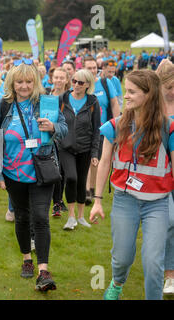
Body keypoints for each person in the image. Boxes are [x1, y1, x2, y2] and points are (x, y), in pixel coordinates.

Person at [0, 60, 68, 292]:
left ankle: (43, 270)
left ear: (36, 82)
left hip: (41, 170)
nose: (24, 86)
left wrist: (53, 127)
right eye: (19, 81)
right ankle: (26, 259)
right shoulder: (2, 107)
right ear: (12, 82)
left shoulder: (47, 103)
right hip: (13, 174)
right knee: (22, 217)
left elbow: (64, 128)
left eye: (29, 81)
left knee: (41, 218)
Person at [90, 69, 174, 300]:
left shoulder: (168, 128)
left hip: (158, 204)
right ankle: (117, 282)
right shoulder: (115, 126)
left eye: (131, 92)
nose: (125, 96)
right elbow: (105, 162)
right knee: (122, 257)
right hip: (124, 201)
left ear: (149, 95)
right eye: (126, 91)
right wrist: (97, 201)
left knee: (153, 261)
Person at [56, 69, 100, 230]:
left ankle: (81, 217)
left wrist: (95, 153)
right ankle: (71, 217)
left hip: (85, 148)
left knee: (82, 181)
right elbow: (55, 120)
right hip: (65, 147)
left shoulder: (92, 102)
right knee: (72, 178)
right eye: (74, 81)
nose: (76, 85)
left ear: (88, 85)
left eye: (80, 83)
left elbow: (97, 129)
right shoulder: (63, 98)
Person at [83, 56, 120, 205]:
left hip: (102, 130)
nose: (92, 71)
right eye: (89, 68)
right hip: (85, 130)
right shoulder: (81, 84)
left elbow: (114, 103)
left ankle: (92, 188)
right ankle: (85, 191)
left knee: (95, 161)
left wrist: (117, 125)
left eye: (94, 68)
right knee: (86, 160)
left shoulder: (105, 83)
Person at [156, 59, 174, 295]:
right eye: (168, 86)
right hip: (161, 173)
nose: (171, 91)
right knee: (170, 222)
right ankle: (170, 275)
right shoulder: (155, 108)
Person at [49, 67, 70, 217]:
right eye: (56, 77)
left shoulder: (70, 97)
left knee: (62, 172)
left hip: (65, 138)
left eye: (62, 78)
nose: (58, 80)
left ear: (67, 80)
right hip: (49, 139)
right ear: (52, 79)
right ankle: (55, 201)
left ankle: (57, 201)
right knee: (52, 171)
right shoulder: (46, 96)